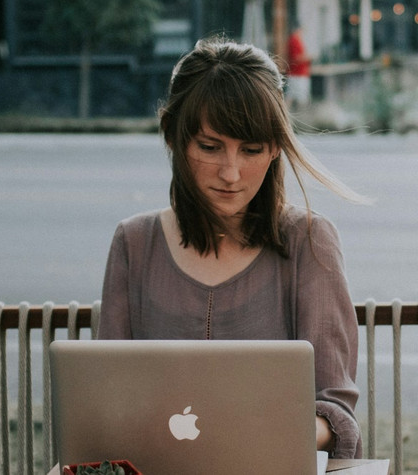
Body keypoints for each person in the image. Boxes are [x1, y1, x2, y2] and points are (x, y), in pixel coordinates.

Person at [97, 37, 367, 459]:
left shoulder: (308, 240)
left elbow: (335, 411)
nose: (231, 172)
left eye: (252, 149)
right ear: (173, 136)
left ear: (276, 147)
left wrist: (256, 433)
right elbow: (105, 399)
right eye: (209, 146)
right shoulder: (134, 243)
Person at [286, 24, 313, 110]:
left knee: (292, 95)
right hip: (297, 74)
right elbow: (296, 58)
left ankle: (288, 114)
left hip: (298, 73)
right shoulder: (294, 40)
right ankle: (301, 115)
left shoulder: (296, 40)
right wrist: (308, 57)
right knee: (298, 96)